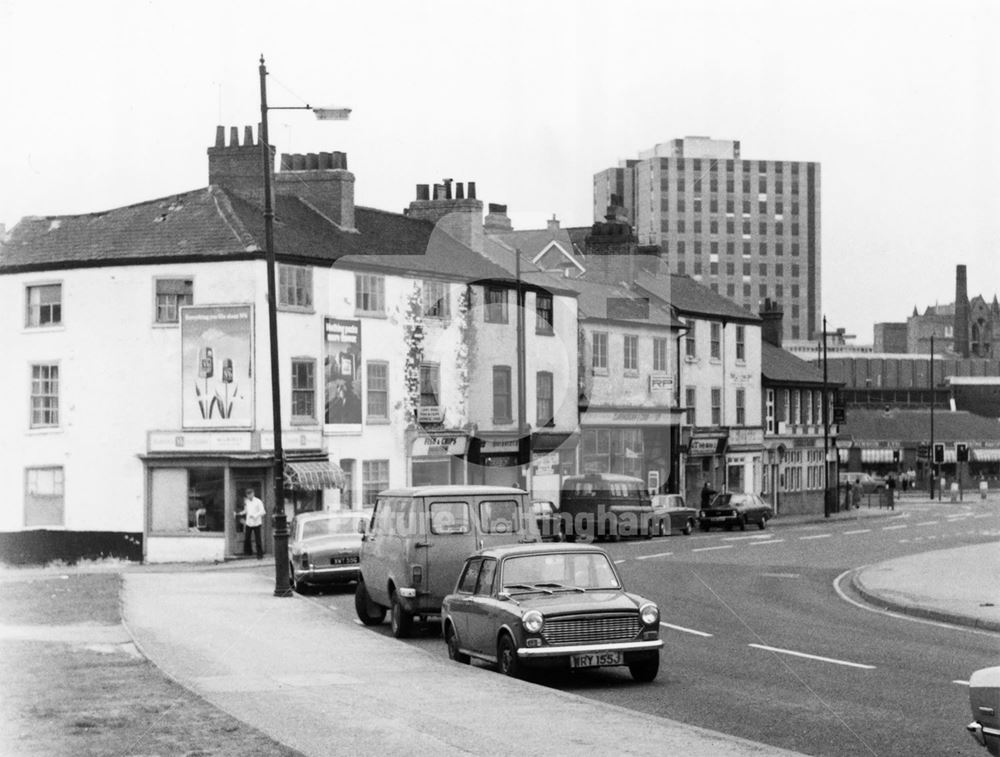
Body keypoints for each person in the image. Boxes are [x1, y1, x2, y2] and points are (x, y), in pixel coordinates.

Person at [236, 487, 266, 559]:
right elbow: (246, 511)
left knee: (258, 539)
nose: (249, 496)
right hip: (249, 523)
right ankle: (248, 552)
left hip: (257, 523)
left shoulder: (258, 501)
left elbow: (263, 511)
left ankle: (259, 554)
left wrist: (255, 515)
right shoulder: (247, 502)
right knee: (247, 538)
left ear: (253, 494)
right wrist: (239, 513)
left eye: (250, 494)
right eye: (248, 495)